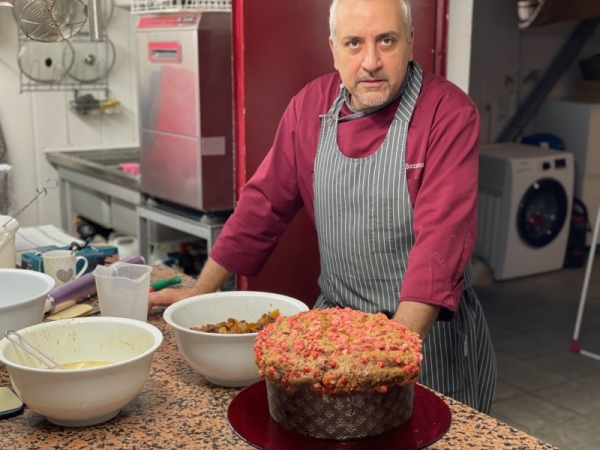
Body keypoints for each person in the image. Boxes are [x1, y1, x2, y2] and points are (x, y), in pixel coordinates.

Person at [150, 0, 497, 413]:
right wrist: (200, 291)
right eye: (354, 43)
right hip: (335, 333)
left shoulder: (448, 114)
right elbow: (262, 205)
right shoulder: (309, 108)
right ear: (333, 47)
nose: (371, 61)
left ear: (410, 42)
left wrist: (390, 353)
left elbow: (441, 242)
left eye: (386, 40)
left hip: (426, 342)